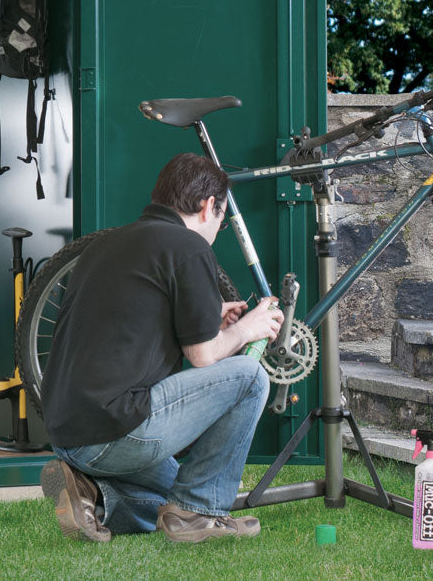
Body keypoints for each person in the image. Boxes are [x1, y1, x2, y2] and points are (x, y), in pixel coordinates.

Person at [39, 152, 284, 544]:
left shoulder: (107, 244)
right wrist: (248, 329)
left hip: (68, 435)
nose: (217, 228)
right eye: (220, 219)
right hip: (113, 432)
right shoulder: (188, 247)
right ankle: (199, 514)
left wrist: (208, 314)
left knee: (172, 489)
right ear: (208, 207)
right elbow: (202, 355)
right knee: (251, 377)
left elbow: (132, 319)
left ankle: (93, 495)